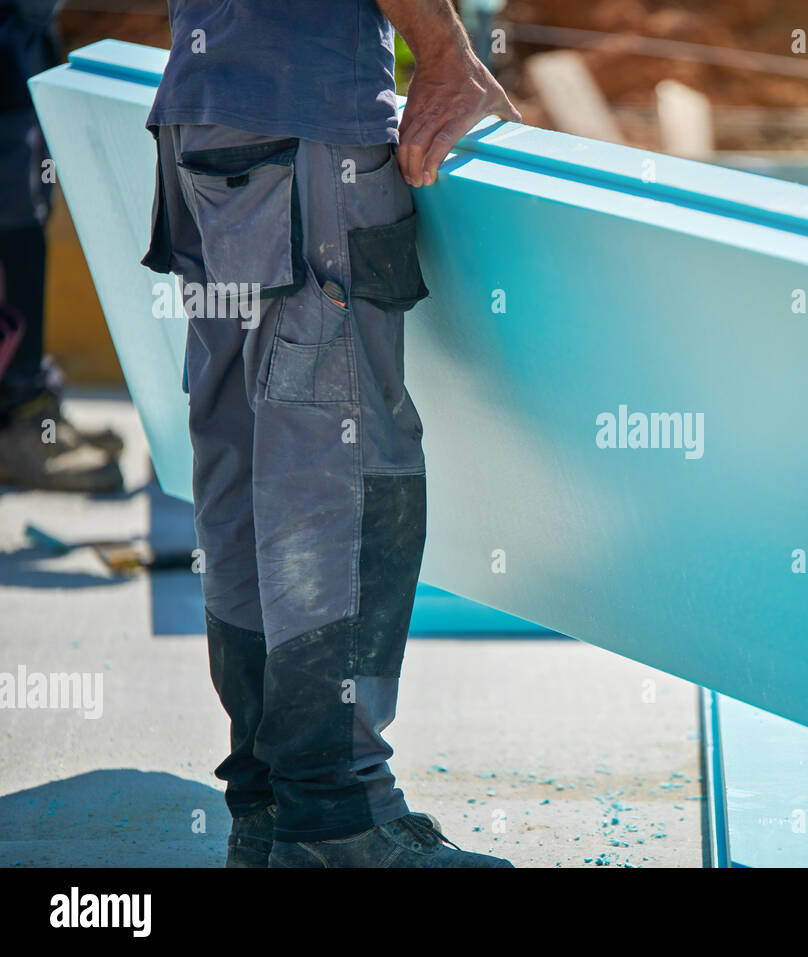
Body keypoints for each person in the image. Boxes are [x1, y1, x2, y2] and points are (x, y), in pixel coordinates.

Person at [141, 0, 521, 867]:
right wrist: (445, 49)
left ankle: (269, 804)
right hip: (307, 130)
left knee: (245, 457)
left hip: (207, 120)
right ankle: (338, 812)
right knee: (336, 474)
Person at [0, 0, 124, 493]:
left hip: (21, 34)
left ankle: (30, 406)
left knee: (27, 212)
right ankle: (18, 419)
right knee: (13, 218)